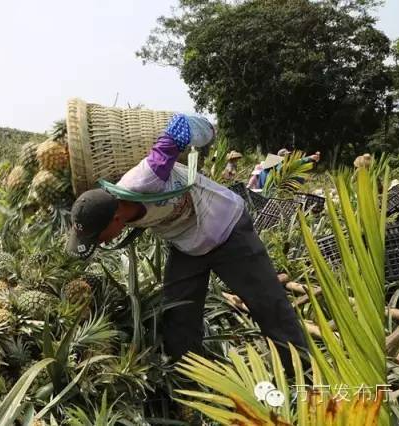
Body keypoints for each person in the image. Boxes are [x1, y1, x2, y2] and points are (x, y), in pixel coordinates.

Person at [66, 114, 307, 372]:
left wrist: (198, 131)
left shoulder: (146, 178)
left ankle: (300, 370)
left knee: (266, 302)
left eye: (99, 238)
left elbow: (176, 131)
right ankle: (192, 375)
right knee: (178, 314)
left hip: (226, 227)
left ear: (114, 220)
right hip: (188, 245)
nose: (101, 244)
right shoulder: (113, 209)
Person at [252, 149, 321, 190]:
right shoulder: (278, 165)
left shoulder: (266, 165)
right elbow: (297, 163)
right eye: (286, 155)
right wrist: (310, 158)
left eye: (288, 155)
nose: (288, 157)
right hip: (271, 191)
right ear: (280, 157)